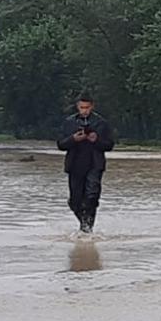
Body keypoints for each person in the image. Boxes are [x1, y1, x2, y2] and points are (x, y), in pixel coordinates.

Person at [56, 94, 115, 232]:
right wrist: (73, 139)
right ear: (77, 106)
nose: (84, 110)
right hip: (75, 165)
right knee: (75, 202)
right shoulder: (69, 122)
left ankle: (87, 228)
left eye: (87, 107)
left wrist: (96, 140)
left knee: (92, 197)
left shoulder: (101, 123)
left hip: (94, 164)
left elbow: (109, 145)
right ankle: (84, 223)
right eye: (82, 107)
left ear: (92, 106)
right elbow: (60, 144)